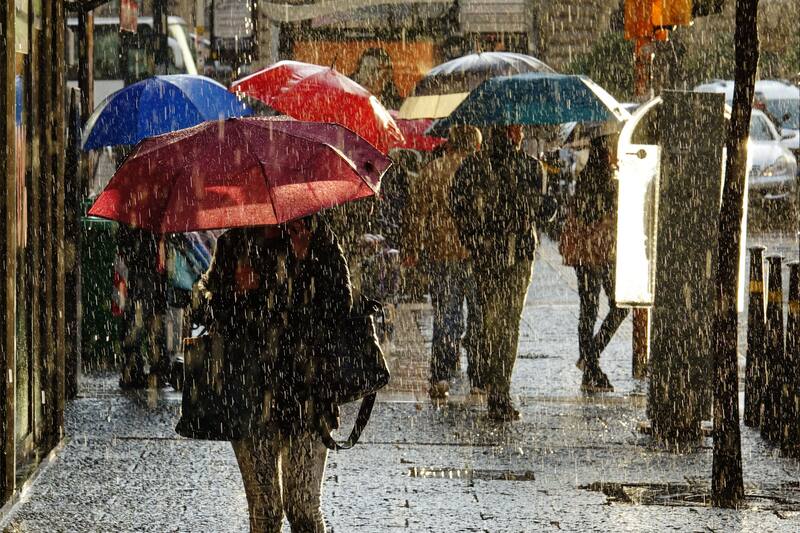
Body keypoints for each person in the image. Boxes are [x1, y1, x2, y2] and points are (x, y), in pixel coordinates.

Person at [197, 215, 351, 533]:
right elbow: (206, 313)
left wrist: (307, 261)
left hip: (308, 392)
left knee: (304, 508)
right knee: (265, 512)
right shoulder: (233, 243)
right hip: (251, 394)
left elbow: (341, 309)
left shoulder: (317, 237)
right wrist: (234, 292)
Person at [451, 125, 554, 421]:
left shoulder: (471, 166)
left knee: (488, 316)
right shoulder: (530, 167)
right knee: (508, 321)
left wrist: (474, 238)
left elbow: (456, 206)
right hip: (518, 253)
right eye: (518, 129)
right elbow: (544, 211)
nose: (521, 133)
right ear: (513, 134)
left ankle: (485, 373)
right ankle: (499, 390)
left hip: (486, 254)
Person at [406, 125, 483, 400]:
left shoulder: (433, 170)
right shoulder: (480, 171)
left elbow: (416, 213)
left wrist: (412, 247)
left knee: (446, 316)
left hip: (442, 253)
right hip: (476, 255)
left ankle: (441, 374)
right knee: (478, 317)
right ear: (475, 145)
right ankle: (479, 376)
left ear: (450, 144)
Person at [560, 135, 629, 392]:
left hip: (586, 253)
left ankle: (589, 362)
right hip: (603, 252)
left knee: (588, 308)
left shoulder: (587, 177)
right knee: (619, 305)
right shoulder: (609, 181)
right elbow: (608, 216)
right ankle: (590, 362)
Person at [116, 225, 169, 389]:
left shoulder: (137, 223)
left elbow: (124, 249)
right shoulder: (149, 225)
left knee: (141, 327)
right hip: (148, 280)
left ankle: (137, 371)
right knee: (144, 328)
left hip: (145, 280)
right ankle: (143, 371)